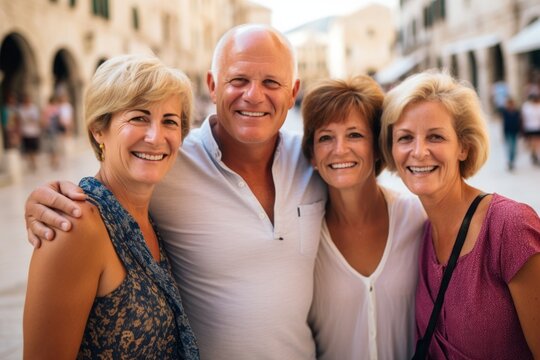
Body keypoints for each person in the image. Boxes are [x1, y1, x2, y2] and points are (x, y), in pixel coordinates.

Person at [24, 24, 326, 359]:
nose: (254, 95)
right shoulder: (91, 212)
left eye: (271, 82)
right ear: (212, 85)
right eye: (238, 80)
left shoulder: (317, 160)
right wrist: (44, 203)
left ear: (293, 90)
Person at [23, 54, 199, 359]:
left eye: (169, 121)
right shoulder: (75, 225)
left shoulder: (150, 214)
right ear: (98, 129)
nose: (156, 137)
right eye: (138, 117)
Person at [380, 70, 540, 359]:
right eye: (404, 138)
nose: (418, 152)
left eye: (436, 137)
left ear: (463, 147)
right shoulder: (422, 234)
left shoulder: (510, 227)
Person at [302, 76, 426, 359]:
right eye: (325, 137)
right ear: (312, 153)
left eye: (355, 134)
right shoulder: (303, 235)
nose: (340, 149)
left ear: (378, 144)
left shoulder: (416, 219)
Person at [17, 94, 41, 172]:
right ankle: (30, 164)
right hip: (25, 132)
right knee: (27, 149)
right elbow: (20, 120)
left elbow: (36, 119)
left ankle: (34, 163)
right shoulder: (21, 109)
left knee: (34, 149)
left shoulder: (33, 108)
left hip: (34, 132)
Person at [499, 97, 522, 171]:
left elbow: (520, 122)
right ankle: (510, 162)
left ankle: (512, 161)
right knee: (510, 147)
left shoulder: (517, 112)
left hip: (515, 131)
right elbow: (503, 124)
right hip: (508, 131)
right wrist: (502, 134)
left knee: (514, 148)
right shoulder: (505, 112)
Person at [40, 95, 62, 169]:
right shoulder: (56, 109)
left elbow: (43, 121)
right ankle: (56, 161)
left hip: (48, 130)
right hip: (53, 130)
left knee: (50, 147)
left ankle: (53, 161)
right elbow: (59, 120)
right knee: (55, 146)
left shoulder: (46, 109)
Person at [521, 93, 540, 165]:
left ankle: (534, 154)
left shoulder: (526, 106)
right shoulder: (527, 107)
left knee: (534, 142)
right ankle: (534, 154)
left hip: (532, 127)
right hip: (532, 127)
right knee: (535, 142)